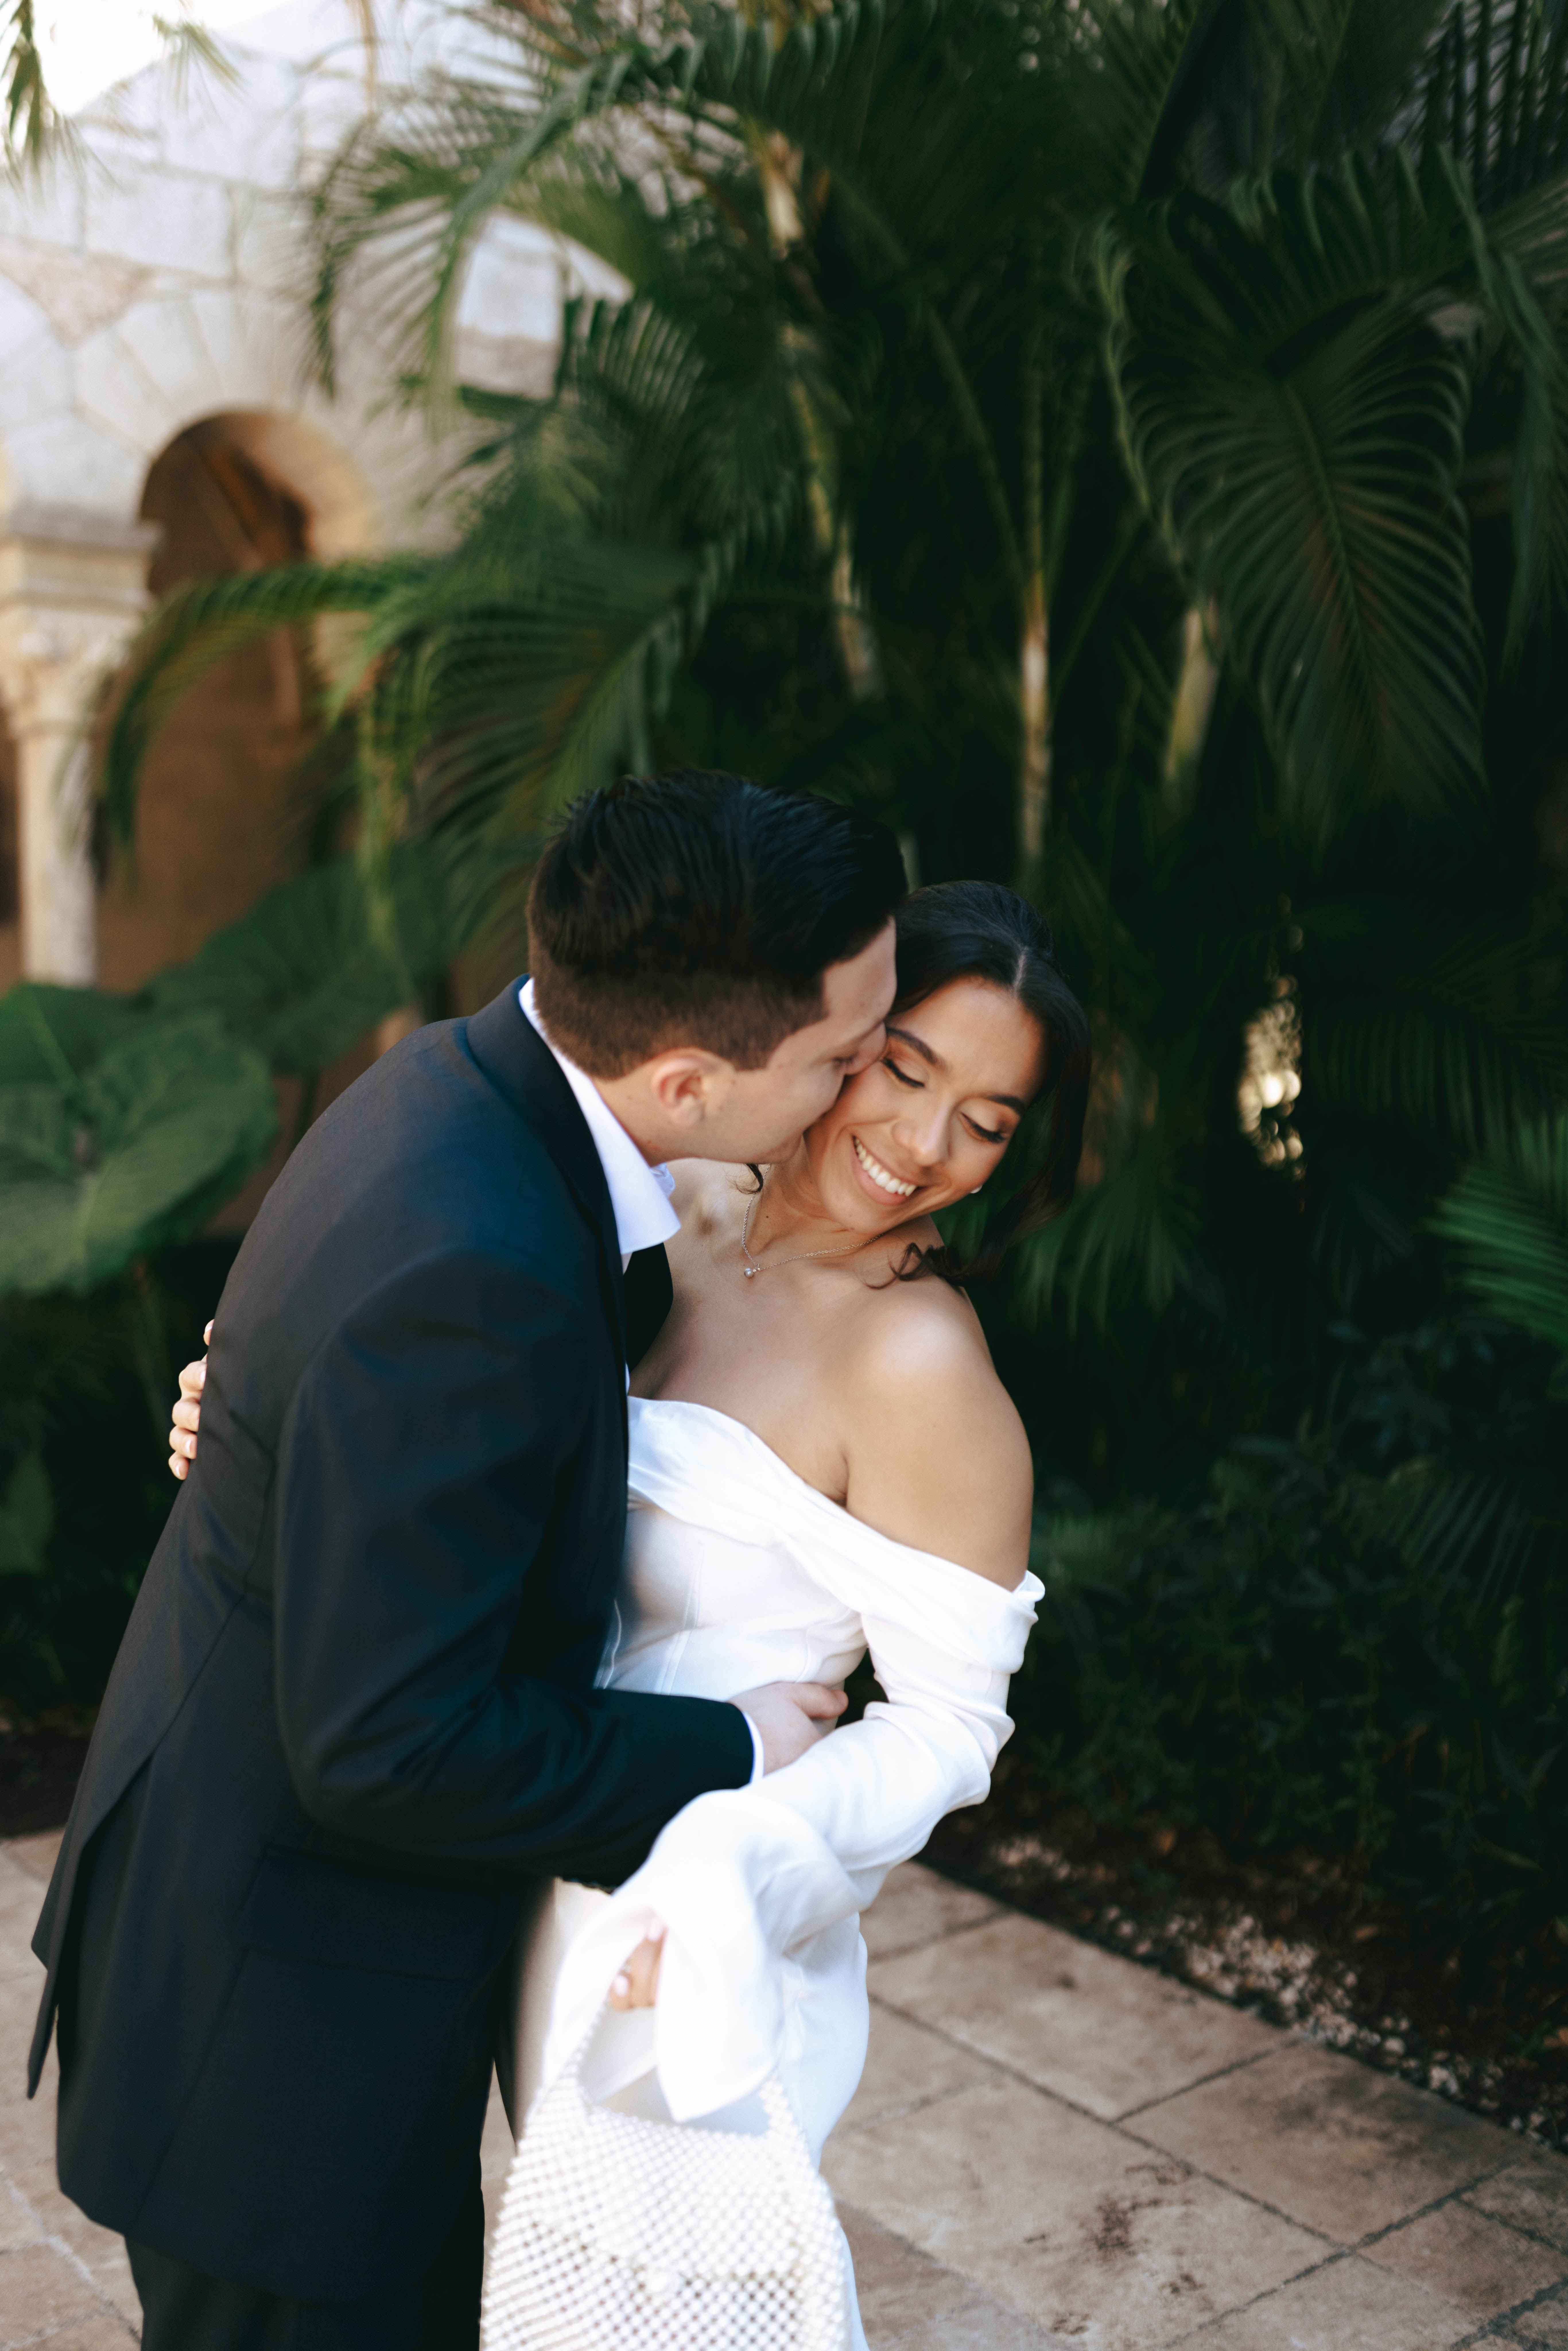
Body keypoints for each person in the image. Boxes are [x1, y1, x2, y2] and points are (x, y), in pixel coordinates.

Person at [29, 770, 908, 2351]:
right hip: (278, 2050)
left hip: (245, 1948)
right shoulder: (473, 1266)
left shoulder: (463, 1079)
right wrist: (731, 1741)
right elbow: (385, 1744)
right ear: (692, 1079)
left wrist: (259, 1432)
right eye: (842, 1061)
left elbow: (453, 1384)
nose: (857, 1097)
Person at [169, 874, 1093, 2349]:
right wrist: (294, 1419)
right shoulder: (672, 1213)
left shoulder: (920, 1365)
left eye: (985, 1121)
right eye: (904, 1069)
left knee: (674, 2314)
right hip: (496, 1833)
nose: (924, 1145)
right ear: (829, 1028)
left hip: (679, 1921)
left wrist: (734, 1864)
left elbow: (948, 1733)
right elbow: (468, 1427)